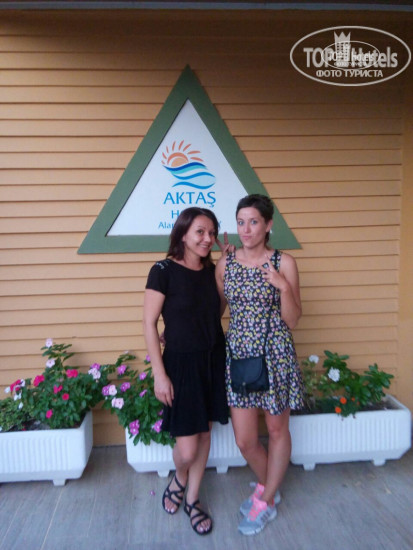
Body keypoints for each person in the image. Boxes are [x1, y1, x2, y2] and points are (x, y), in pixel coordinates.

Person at [215, 194, 304, 536]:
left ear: (268, 225)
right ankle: (271, 486)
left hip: (275, 353)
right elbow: (216, 312)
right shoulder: (226, 263)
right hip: (239, 355)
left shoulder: (284, 262)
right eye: (241, 222)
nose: (246, 229)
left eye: (253, 222)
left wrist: (283, 287)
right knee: (245, 440)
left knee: (278, 430)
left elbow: (292, 320)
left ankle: (265, 499)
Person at [143, 207, 229, 536]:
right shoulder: (162, 270)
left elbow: (215, 310)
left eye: (212, 233)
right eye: (200, 232)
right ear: (182, 234)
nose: (207, 238)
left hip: (212, 358)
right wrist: (159, 374)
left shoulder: (212, 271)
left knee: (205, 433)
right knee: (188, 447)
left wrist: (225, 266)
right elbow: (149, 323)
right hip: (180, 364)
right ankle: (180, 477)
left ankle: (192, 498)